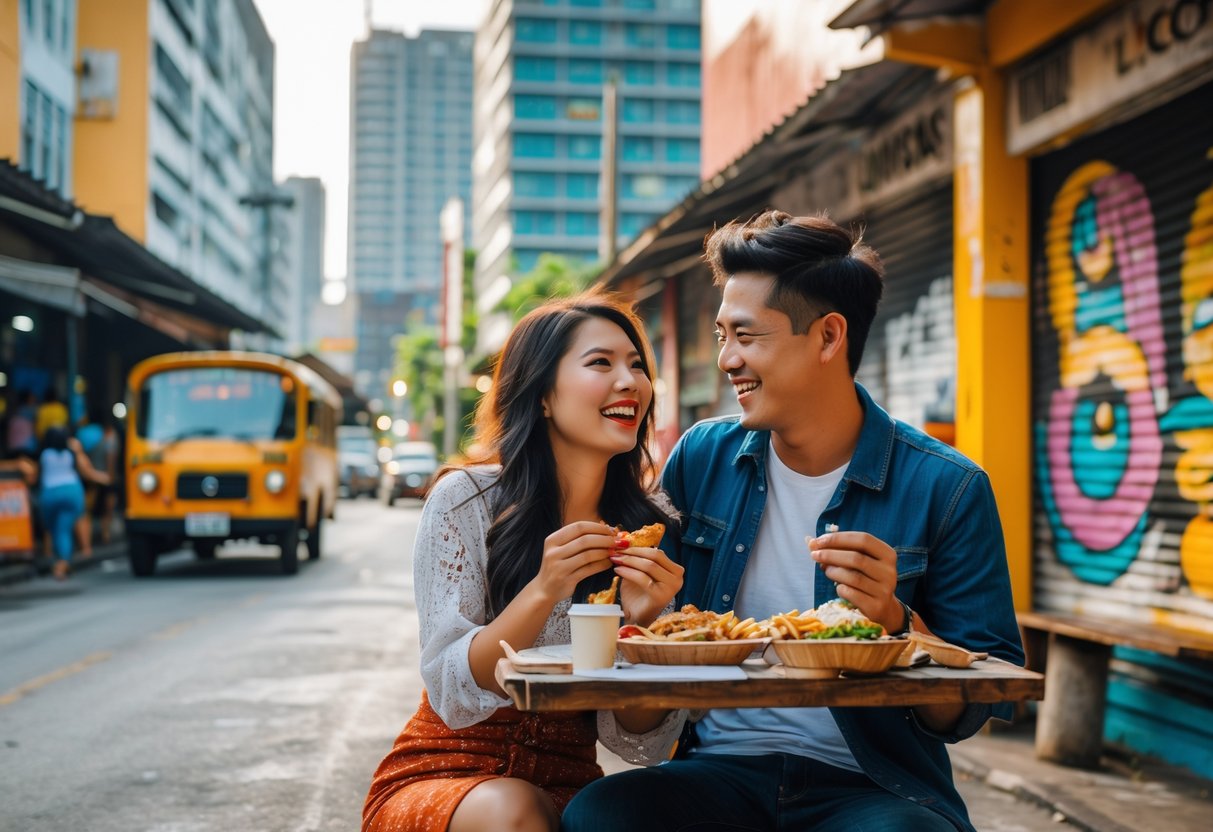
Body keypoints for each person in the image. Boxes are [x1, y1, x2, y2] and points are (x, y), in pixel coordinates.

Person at [562, 211, 1024, 832]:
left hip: (873, 786)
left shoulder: (948, 486)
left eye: (746, 337)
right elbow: (651, 657)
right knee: (602, 814)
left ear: (829, 337)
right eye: (723, 335)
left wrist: (897, 625)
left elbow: (972, 707)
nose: (726, 360)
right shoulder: (702, 458)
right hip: (717, 769)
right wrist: (643, 621)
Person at [362, 293, 687, 832]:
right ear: (541, 396)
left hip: (570, 779)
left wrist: (643, 628)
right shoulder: (465, 500)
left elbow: (637, 738)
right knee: (517, 812)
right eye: (600, 363)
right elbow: (449, 688)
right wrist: (543, 589)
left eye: (636, 365)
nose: (630, 381)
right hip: (445, 770)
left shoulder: (650, 523)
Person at [37, 427, 111, 580]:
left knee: (54, 529)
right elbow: (87, 471)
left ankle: (58, 560)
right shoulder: (71, 453)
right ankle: (63, 563)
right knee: (64, 529)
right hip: (72, 492)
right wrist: (102, 477)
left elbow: (33, 475)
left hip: (49, 495)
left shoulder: (44, 455)